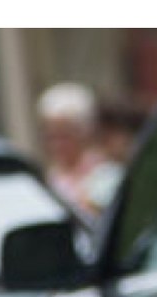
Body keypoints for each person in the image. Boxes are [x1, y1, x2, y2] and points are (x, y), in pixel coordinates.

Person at [37, 82, 121, 218]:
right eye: (51, 136)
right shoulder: (50, 178)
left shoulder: (107, 175)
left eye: (64, 135)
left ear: (84, 133)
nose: (57, 144)